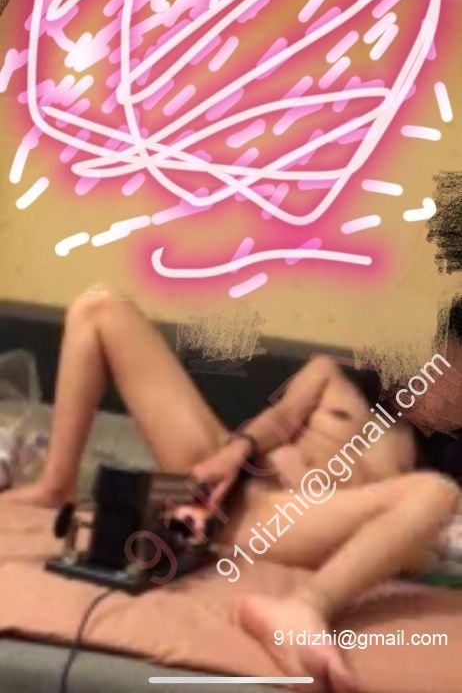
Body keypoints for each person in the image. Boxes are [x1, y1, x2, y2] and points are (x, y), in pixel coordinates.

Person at [8, 288, 460, 692]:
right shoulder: (333, 376)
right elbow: (279, 418)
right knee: (101, 308)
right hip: (223, 472)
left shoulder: (422, 462)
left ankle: (303, 607)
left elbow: (400, 536)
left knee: (438, 494)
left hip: (275, 518)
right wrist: (234, 454)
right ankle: (55, 484)